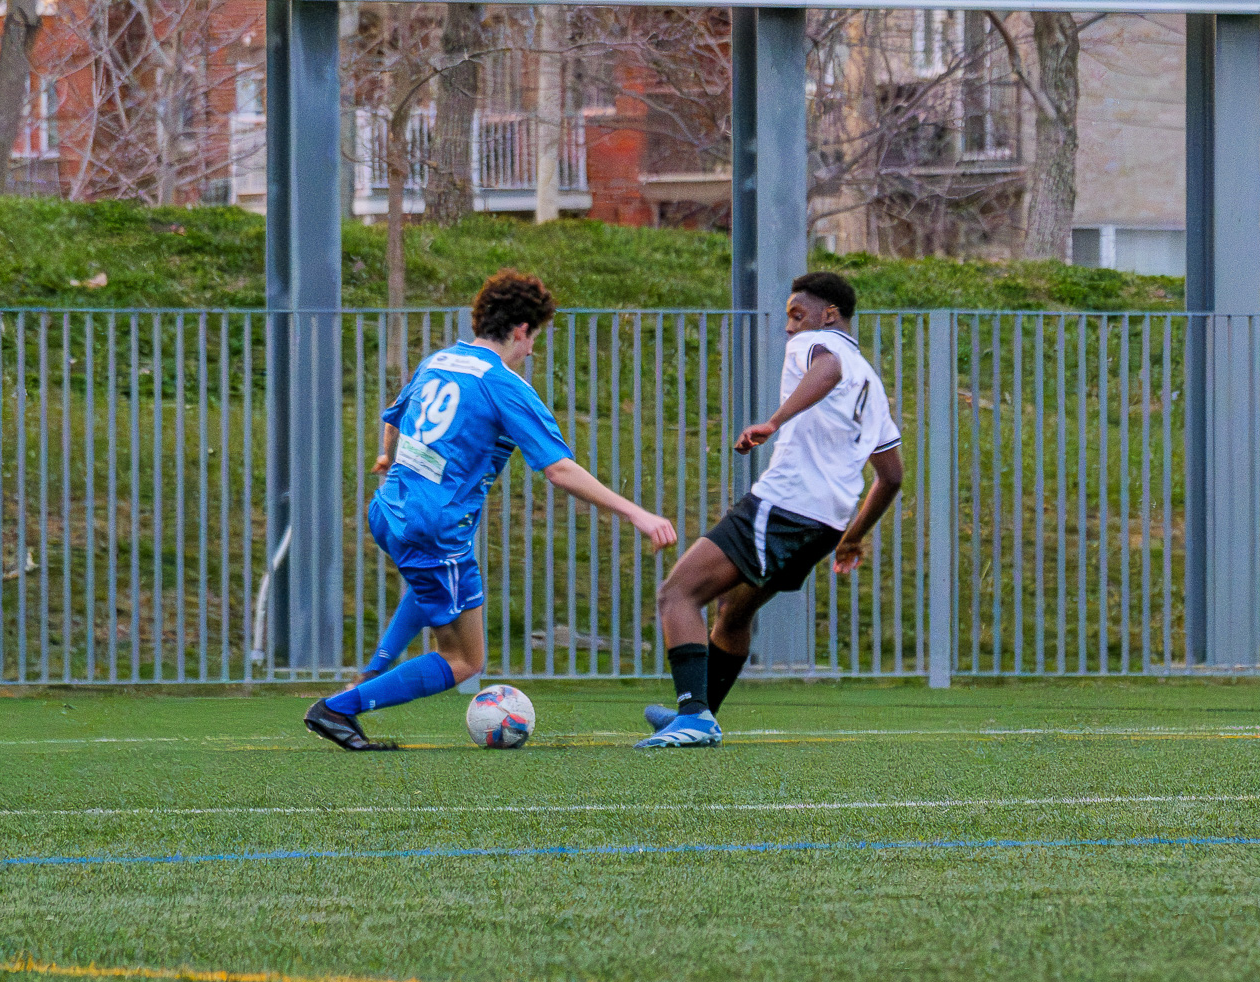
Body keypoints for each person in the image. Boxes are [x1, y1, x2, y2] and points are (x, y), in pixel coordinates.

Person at [306, 270, 677, 751]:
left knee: (431, 587)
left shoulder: (439, 360)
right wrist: (636, 513)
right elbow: (559, 470)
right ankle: (339, 709)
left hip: (390, 509)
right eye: (534, 338)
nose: (532, 351)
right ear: (521, 329)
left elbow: (393, 416)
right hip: (435, 526)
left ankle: (372, 672)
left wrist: (387, 457)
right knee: (466, 659)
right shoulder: (505, 385)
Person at [637, 272, 904, 748]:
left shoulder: (818, 344)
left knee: (677, 593)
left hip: (786, 503)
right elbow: (891, 476)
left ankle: (693, 715)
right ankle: (700, 716)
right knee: (735, 610)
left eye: (796, 314)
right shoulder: (872, 381)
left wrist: (774, 421)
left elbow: (826, 373)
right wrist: (852, 536)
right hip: (825, 524)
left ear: (829, 315)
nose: (789, 327)